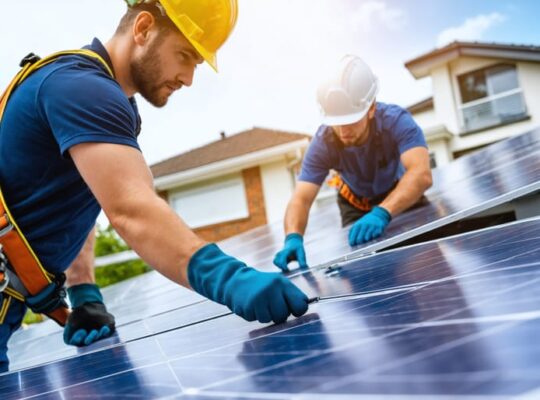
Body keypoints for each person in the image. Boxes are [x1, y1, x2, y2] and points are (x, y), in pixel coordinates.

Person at [0, 0, 308, 372]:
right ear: (143, 28)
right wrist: (228, 278)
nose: (189, 78)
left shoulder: (106, 100)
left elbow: (86, 197)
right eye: (184, 55)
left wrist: (84, 293)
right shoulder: (82, 87)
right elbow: (132, 208)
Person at [273, 55, 432, 272]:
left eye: (351, 120)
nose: (343, 131)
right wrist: (292, 237)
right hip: (355, 205)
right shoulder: (323, 142)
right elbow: (301, 198)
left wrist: (382, 212)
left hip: (401, 194)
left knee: (428, 255)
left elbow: (421, 174)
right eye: (336, 122)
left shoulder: (396, 121)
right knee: (368, 272)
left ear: (371, 108)